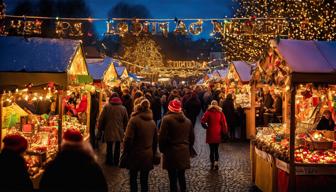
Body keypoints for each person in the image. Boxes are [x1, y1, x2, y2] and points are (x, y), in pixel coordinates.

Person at [39, 129, 108, 192]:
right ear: (82, 145)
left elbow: (44, 185)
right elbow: (102, 187)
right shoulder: (92, 167)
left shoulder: (53, 167)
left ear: (63, 145)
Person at [159, 99, 195, 192]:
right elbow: (192, 138)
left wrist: (162, 149)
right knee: (181, 175)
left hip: (171, 152)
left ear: (170, 108)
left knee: (172, 178)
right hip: (183, 151)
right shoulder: (188, 121)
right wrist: (189, 148)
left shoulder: (166, 119)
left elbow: (162, 137)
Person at [123, 98, 157, 192]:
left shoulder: (134, 120)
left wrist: (126, 151)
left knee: (133, 178)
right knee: (144, 180)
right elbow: (155, 141)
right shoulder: (152, 122)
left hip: (135, 154)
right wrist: (153, 154)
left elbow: (128, 139)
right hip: (147, 155)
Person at [97, 96, 129, 166]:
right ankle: (116, 161)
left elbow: (101, 119)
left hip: (108, 129)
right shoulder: (123, 108)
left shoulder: (107, 107)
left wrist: (100, 128)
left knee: (109, 146)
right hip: (119, 130)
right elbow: (126, 120)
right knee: (117, 146)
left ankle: (109, 161)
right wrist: (125, 129)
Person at [201, 100, 228, 170]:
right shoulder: (220, 113)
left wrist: (206, 127)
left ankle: (212, 163)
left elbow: (202, 121)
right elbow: (224, 123)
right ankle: (216, 163)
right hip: (218, 133)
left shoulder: (208, 112)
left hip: (210, 132)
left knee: (211, 150)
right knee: (216, 149)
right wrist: (225, 132)